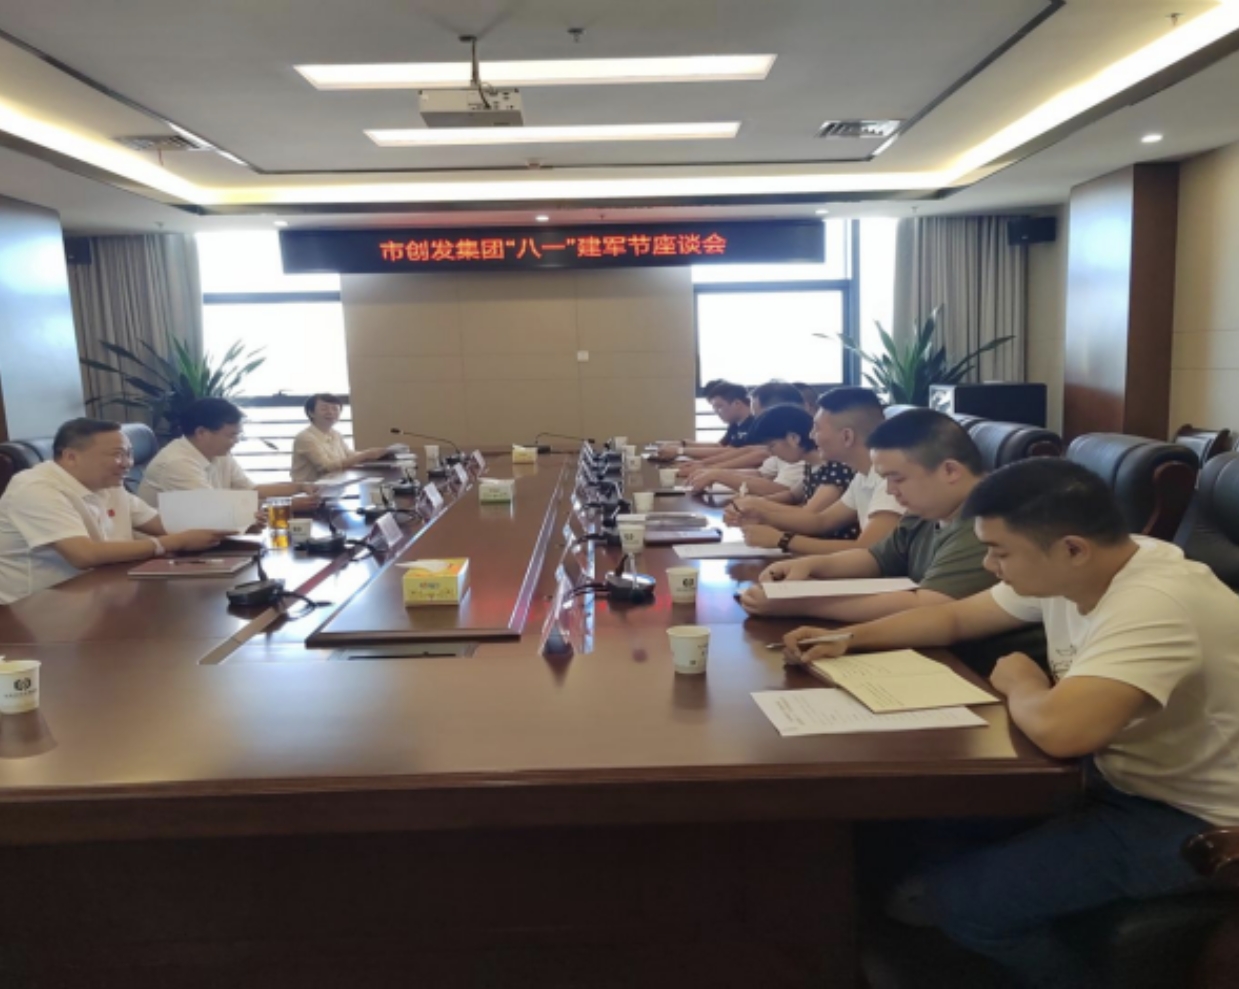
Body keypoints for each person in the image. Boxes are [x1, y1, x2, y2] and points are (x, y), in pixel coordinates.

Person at [781, 458, 1239, 989]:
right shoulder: (1088, 564)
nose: (991, 566)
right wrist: (847, 640)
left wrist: (1024, 681)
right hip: (1119, 781)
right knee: (904, 834)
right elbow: (953, 617)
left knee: (965, 905)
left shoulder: (1154, 602)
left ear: (1072, 549)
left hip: (1197, 818)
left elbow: (1063, 731)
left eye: (1000, 552)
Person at [741, 409, 1046, 671]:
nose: (889, 490)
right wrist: (812, 565)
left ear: (950, 470)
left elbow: (929, 607)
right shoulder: (928, 509)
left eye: (897, 478)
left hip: (976, 667)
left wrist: (798, 602)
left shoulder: (989, 523)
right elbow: (875, 557)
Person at [0, 419, 229, 603]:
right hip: (36, 610)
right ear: (71, 457)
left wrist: (228, 525)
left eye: (129, 453)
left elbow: (162, 524)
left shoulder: (108, 483)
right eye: (118, 454)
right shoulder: (35, 489)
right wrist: (172, 543)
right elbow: (84, 555)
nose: (127, 463)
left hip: (102, 591)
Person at [729, 386, 903, 554]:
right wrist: (762, 516)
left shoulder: (890, 480)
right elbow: (822, 521)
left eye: (817, 428)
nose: (811, 435)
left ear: (847, 436)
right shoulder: (862, 475)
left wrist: (782, 539)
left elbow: (867, 550)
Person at [138, 398, 318, 506]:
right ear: (202, 432)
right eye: (231, 435)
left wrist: (299, 487)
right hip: (169, 548)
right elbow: (215, 509)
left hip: (205, 533)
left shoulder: (219, 454)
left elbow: (251, 490)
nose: (236, 441)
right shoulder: (177, 463)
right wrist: (287, 505)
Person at [681, 380, 805, 479]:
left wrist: (708, 469)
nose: (757, 421)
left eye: (759, 416)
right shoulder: (781, 446)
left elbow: (759, 455)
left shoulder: (803, 455)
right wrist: (706, 468)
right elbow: (754, 456)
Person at [687, 404, 814, 498]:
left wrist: (718, 474)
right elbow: (762, 474)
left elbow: (783, 491)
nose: (771, 453)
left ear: (793, 438)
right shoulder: (795, 456)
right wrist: (714, 473)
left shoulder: (808, 460)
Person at [291, 393, 389, 482]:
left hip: (333, 484)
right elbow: (327, 467)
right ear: (311, 413)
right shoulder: (305, 437)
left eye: (335, 409)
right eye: (324, 409)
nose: (330, 412)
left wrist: (376, 455)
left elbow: (349, 455)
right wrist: (365, 455)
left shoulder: (335, 434)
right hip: (308, 489)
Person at [655, 381, 757, 462]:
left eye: (719, 407)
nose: (716, 412)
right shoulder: (736, 424)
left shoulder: (753, 424)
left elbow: (728, 452)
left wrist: (680, 451)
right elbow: (719, 446)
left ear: (737, 403)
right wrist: (682, 444)